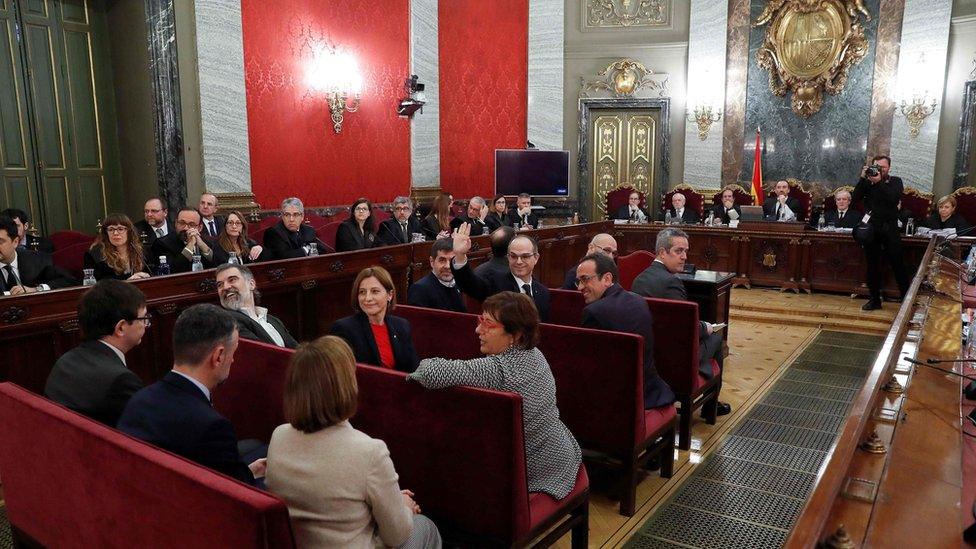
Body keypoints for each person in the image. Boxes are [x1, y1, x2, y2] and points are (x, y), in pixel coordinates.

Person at [266, 335, 442, 548]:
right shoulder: (369, 451)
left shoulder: (279, 436)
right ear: (347, 386)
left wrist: (392, 499)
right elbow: (397, 536)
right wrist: (403, 506)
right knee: (425, 526)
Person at [408, 292, 582, 499]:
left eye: (488, 324)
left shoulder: (497, 368)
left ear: (515, 334)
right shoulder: (535, 353)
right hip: (561, 453)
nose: (477, 329)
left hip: (534, 473)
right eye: (480, 320)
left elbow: (429, 372)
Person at [118, 304, 266, 486]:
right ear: (219, 356)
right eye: (233, 352)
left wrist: (247, 472)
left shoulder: (138, 400)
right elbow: (239, 496)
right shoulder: (212, 427)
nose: (233, 360)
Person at [632, 228, 731, 416]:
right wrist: (706, 327)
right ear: (662, 252)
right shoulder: (671, 283)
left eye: (686, 251)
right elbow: (684, 328)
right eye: (679, 251)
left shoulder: (639, 278)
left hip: (648, 352)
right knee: (716, 340)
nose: (685, 257)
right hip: (674, 358)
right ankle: (710, 407)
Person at [575, 253, 675, 409]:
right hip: (651, 389)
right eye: (578, 281)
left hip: (622, 400)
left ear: (607, 279)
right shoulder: (638, 299)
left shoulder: (594, 311)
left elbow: (590, 365)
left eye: (585, 279)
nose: (580, 287)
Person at [44, 280, 148, 426]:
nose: (146, 325)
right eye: (144, 319)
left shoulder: (66, 360)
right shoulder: (121, 381)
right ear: (121, 328)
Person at [451, 223, 550, 321]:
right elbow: (469, 285)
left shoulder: (543, 292)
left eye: (525, 256)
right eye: (513, 256)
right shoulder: (495, 283)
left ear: (536, 258)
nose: (519, 262)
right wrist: (460, 256)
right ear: (508, 257)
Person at [330, 266, 419, 373]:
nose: (367, 298)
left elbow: (414, 370)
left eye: (375, 291)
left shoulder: (402, 325)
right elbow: (342, 375)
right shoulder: (343, 328)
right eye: (362, 292)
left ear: (389, 295)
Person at [852, 154, 910, 310]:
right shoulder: (867, 182)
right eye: (877, 167)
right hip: (872, 229)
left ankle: (907, 300)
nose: (879, 170)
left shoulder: (896, 181)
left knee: (898, 264)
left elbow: (893, 198)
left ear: (889, 168)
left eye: (883, 168)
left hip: (890, 228)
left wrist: (878, 183)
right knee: (872, 265)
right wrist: (863, 179)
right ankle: (874, 299)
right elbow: (854, 199)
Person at [216, 263, 298, 349]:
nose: (225, 287)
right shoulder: (227, 321)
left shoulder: (273, 320)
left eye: (232, 280)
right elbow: (264, 355)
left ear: (251, 284)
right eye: (220, 285)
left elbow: (298, 352)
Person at [0, 215, 76, 294]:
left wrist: (36, 289)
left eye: (0, 242)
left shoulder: (38, 260)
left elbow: (68, 280)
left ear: (15, 242)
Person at [84, 214, 152, 281]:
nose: (115, 233)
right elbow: (97, 282)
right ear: (106, 233)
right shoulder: (95, 255)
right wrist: (129, 279)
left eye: (120, 229)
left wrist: (146, 275)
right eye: (111, 229)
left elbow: (153, 272)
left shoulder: (143, 251)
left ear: (129, 232)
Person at [407, 238, 466, 312]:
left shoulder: (461, 284)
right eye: (442, 260)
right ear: (432, 262)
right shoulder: (420, 289)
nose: (447, 266)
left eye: (452, 261)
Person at [150, 208, 216, 274]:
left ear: (200, 227)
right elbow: (173, 270)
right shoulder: (162, 243)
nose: (186, 228)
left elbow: (217, 265)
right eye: (182, 223)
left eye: (191, 224)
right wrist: (190, 244)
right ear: (176, 223)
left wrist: (202, 245)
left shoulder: (209, 241)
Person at [263, 198, 328, 259]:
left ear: (302, 216)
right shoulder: (273, 232)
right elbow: (285, 256)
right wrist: (306, 249)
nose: (291, 219)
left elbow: (322, 250)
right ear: (282, 216)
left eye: (295, 214)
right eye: (287, 215)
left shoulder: (308, 230)